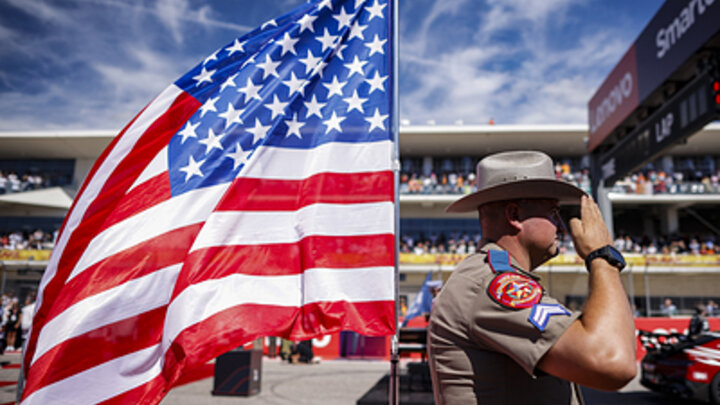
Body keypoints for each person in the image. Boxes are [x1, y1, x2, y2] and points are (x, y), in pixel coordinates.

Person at [428, 151, 636, 404]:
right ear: (514, 216)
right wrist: (602, 256)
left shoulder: (493, 276)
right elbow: (612, 362)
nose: (560, 225)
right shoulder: (493, 283)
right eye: (552, 212)